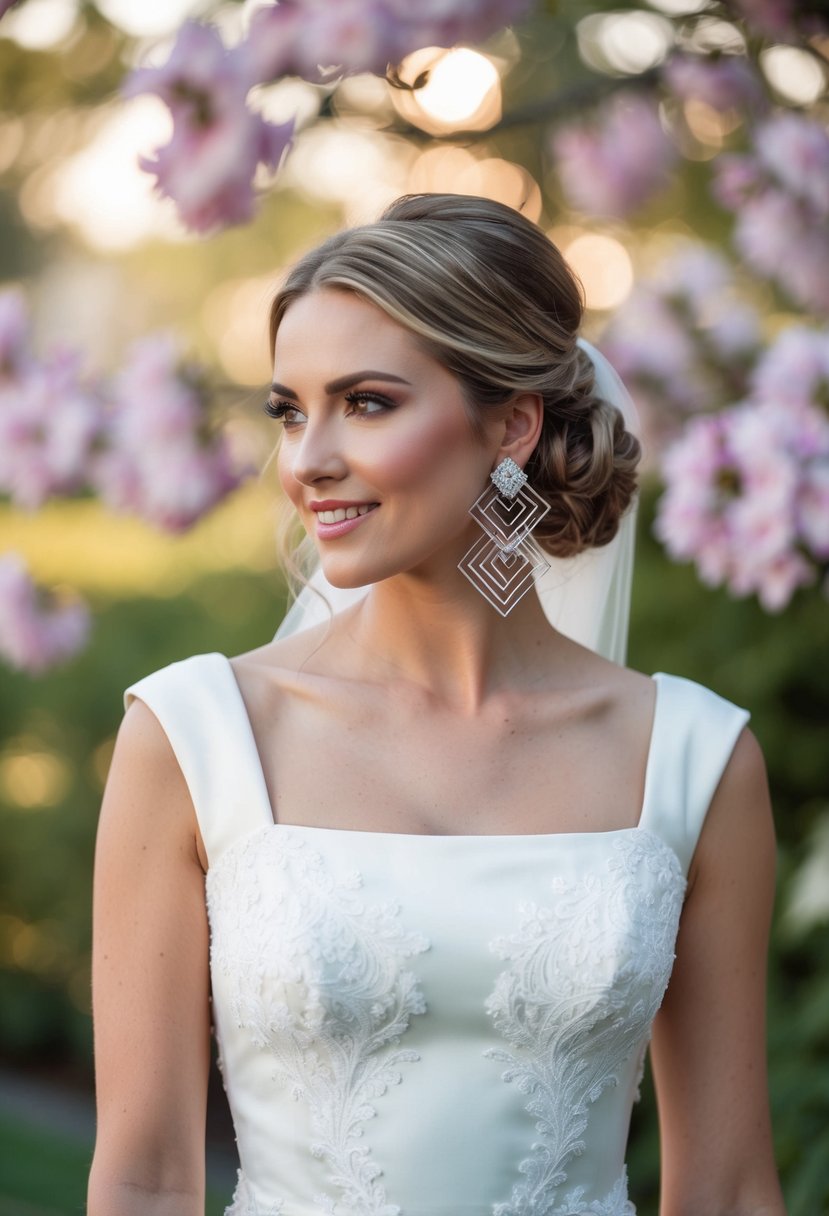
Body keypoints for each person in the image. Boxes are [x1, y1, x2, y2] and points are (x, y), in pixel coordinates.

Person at [87, 193, 785, 1216]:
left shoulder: (693, 758)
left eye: (365, 402)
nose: (307, 459)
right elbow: (145, 1178)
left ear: (510, 423)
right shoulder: (195, 737)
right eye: (290, 408)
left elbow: (726, 1190)